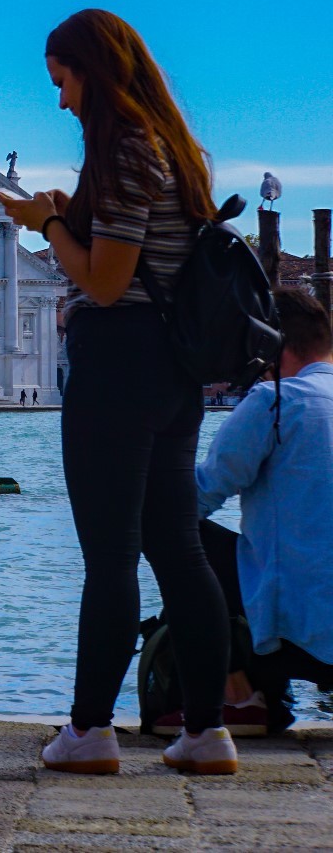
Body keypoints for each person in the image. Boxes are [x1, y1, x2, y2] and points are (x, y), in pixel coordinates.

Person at [0, 8, 235, 777]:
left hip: (118, 369)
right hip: (173, 373)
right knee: (176, 547)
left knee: (110, 556)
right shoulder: (172, 147)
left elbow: (105, 281)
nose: (61, 100)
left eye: (62, 81)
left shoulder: (125, 147)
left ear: (92, 74)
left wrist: (46, 224)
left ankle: (90, 729)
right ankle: (206, 732)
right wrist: (70, 215)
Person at [186, 287, 333, 734]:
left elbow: (203, 494)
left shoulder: (275, 400)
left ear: (268, 344)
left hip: (305, 634)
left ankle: (242, 696)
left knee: (171, 530)